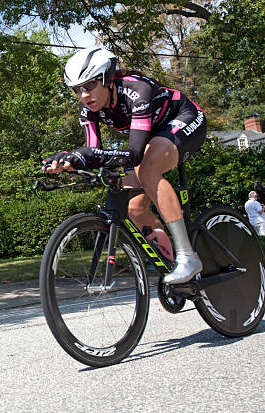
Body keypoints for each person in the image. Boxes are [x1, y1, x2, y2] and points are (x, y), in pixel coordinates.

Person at [44, 47, 207, 284]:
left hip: (184, 119)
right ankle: (174, 266)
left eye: (89, 86)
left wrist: (86, 155)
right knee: (134, 208)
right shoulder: (88, 109)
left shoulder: (136, 90)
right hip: (154, 136)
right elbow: (94, 153)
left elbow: (134, 154)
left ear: (107, 79)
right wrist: (69, 160)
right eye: (76, 90)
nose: (83, 95)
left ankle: (187, 256)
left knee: (149, 169)